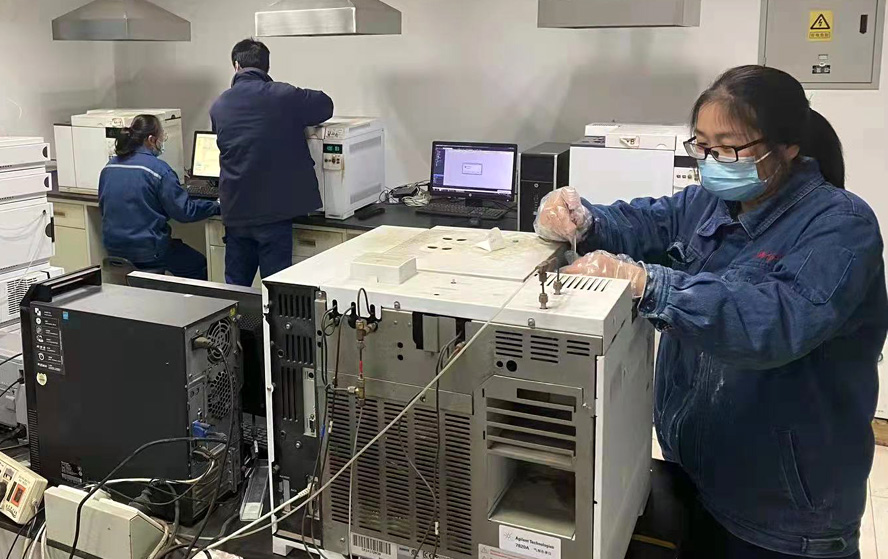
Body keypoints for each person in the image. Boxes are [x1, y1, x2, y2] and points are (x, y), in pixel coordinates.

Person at [536, 65, 887, 559]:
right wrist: (583, 219)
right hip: (697, 473)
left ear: (787, 146)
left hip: (784, 511)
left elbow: (773, 323)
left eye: (729, 148)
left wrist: (649, 283)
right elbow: (644, 222)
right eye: (702, 147)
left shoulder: (841, 225)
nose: (713, 162)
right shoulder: (711, 202)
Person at [210, 39, 334, 286]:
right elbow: (325, 105)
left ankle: (237, 314)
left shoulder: (219, 105)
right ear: (266, 67)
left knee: (236, 288)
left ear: (236, 66)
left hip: (236, 209)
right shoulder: (283, 95)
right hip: (273, 212)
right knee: (276, 289)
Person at [99, 114, 220, 280]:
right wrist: (216, 205)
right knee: (198, 265)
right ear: (151, 139)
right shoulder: (159, 171)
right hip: (148, 252)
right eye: (162, 137)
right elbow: (184, 212)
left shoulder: (109, 167)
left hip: (114, 249)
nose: (162, 142)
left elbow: (104, 206)